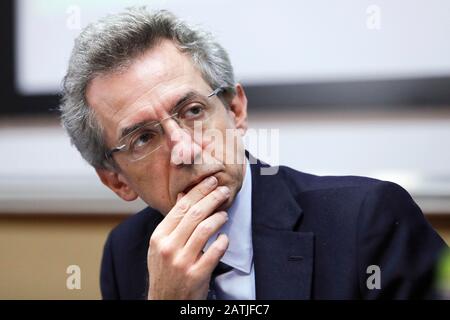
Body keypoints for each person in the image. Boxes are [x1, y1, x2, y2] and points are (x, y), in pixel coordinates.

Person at [59, 7, 447, 300]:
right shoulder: (127, 252)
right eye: (144, 138)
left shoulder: (368, 218)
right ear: (116, 180)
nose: (186, 149)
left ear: (236, 109)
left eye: (192, 111)